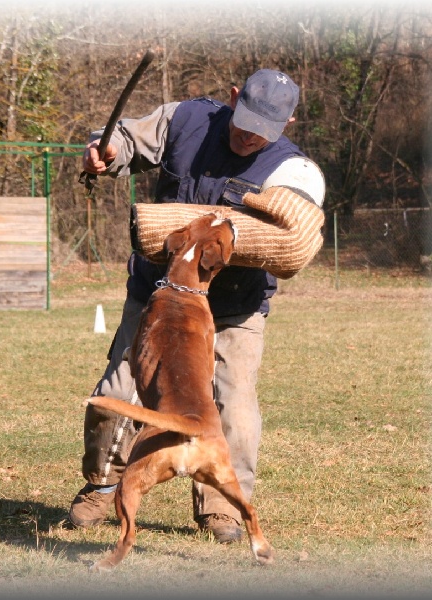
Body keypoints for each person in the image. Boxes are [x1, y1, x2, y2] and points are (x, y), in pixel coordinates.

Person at [70, 68, 315, 543]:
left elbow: (298, 230)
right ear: (233, 97)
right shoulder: (186, 119)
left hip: (233, 308)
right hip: (159, 298)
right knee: (119, 393)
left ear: (289, 122)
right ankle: (102, 484)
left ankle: (221, 504)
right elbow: (127, 137)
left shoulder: (291, 169)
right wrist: (108, 148)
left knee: (235, 407)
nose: (249, 136)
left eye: (264, 130)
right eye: (244, 120)